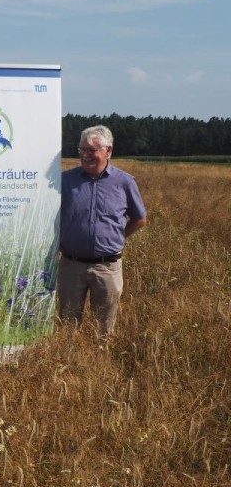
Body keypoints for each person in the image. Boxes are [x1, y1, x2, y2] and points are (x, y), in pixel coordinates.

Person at [58, 124, 147, 334]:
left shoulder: (124, 182)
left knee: (104, 329)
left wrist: (117, 237)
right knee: (67, 327)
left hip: (107, 267)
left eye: (92, 150)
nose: (86, 155)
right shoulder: (65, 181)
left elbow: (139, 218)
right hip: (71, 266)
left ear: (108, 151)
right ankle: (69, 363)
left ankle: (100, 364)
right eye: (82, 150)